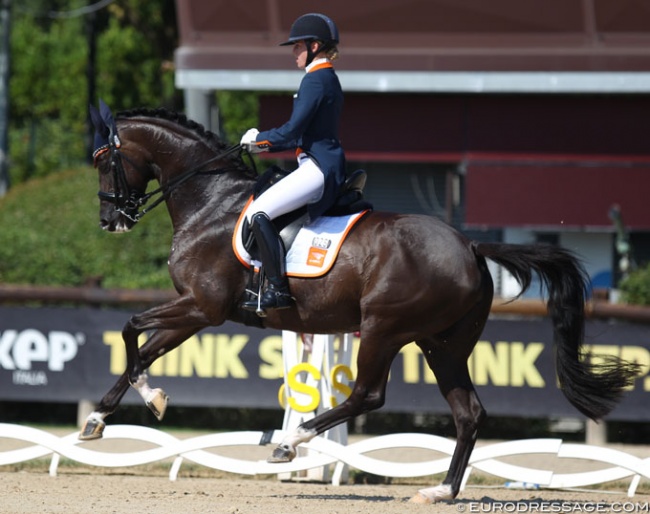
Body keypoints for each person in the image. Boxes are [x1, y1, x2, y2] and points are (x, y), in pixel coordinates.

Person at [240, 13, 347, 314]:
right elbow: (298, 136)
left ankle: (277, 289)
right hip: (318, 162)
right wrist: (262, 146)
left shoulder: (315, 79)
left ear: (315, 46)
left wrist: (258, 139)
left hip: (318, 167)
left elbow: (291, 131)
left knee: (258, 211)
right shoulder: (327, 77)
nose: (293, 52)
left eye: (298, 45)